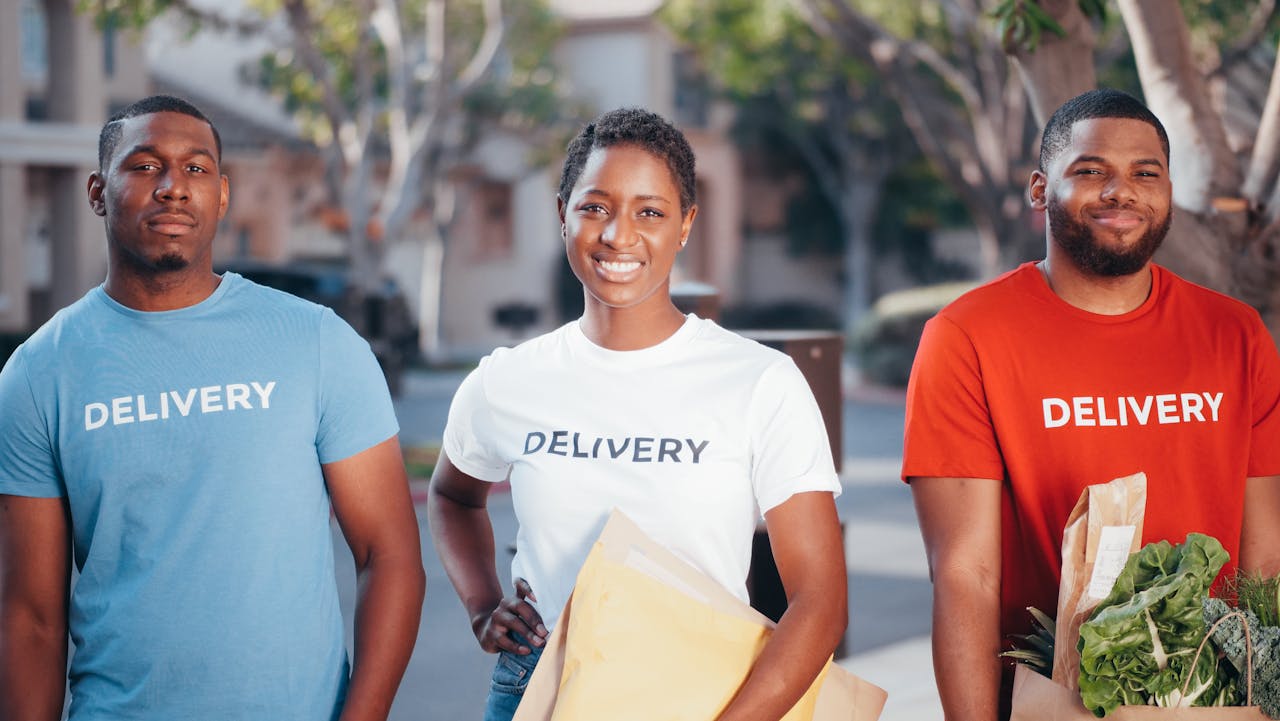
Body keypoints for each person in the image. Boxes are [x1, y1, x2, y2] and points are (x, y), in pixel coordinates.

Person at [0, 95, 426, 721]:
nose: (173, 186)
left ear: (221, 196)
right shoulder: (39, 372)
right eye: (145, 166)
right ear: (97, 192)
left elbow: (388, 558)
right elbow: (31, 617)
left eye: (196, 169)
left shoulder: (317, 343)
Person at [428, 107, 847, 721]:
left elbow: (820, 603)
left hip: (705, 693)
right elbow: (451, 496)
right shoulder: (507, 381)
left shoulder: (760, 381)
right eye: (595, 207)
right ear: (563, 215)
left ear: (685, 225)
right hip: (541, 686)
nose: (618, 235)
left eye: (649, 212)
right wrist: (482, 606)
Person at [903, 87, 1280, 720]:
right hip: (1050, 697)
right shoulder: (968, 337)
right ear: (1040, 189)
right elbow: (966, 574)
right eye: (1090, 170)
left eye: (1145, 173)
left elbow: (1264, 563)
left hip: (1213, 698)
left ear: (1168, 192)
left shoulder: (1236, 334)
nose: (1120, 191)